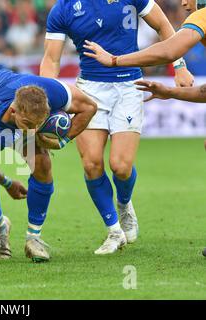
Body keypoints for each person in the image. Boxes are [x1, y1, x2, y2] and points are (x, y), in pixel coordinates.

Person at [40, 0, 195, 254]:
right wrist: (49, 97)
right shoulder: (63, 8)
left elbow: (163, 25)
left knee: (121, 167)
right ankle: (114, 231)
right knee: (91, 163)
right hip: (90, 89)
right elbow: (50, 59)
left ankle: (124, 204)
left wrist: (179, 66)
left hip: (129, 86)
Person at [81, 0, 206, 255]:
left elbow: (169, 50)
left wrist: (115, 60)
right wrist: (170, 91)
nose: (183, 2)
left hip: (122, 80)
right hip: (95, 85)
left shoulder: (203, 16)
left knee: (121, 165)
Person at [0, 68, 97, 262]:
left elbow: (89, 107)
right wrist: (7, 183)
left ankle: (34, 238)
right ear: (13, 112)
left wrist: (62, 142)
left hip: (4, 88)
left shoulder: (49, 91)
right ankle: (0, 229)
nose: (35, 130)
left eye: (39, 124)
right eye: (30, 124)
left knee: (43, 164)